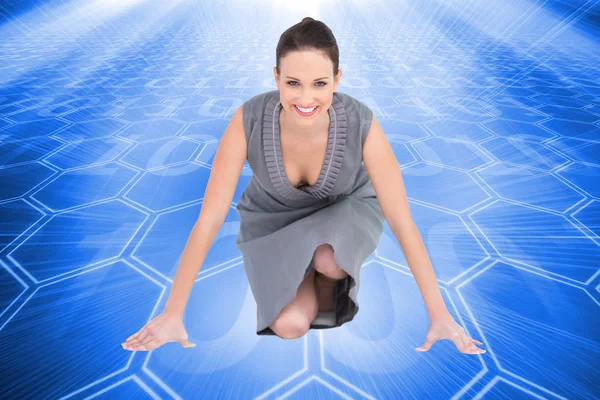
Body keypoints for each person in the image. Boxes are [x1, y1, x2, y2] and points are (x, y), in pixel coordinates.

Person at [122, 17, 486, 355]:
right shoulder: (247, 119)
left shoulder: (361, 121)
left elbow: (402, 221)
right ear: (276, 77)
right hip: (272, 222)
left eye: (320, 84)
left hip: (345, 210)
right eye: (293, 83)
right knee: (290, 326)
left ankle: (328, 275)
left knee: (330, 257)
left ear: (338, 80)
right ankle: (306, 271)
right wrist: (172, 314)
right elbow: (209, 220)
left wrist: (440, 315)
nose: (306, 98)